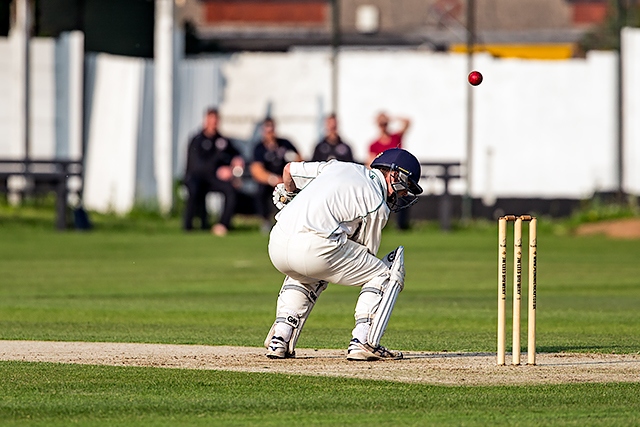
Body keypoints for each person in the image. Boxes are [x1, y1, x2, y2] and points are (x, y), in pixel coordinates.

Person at [263, 148, 423, 361]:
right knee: (383, 273)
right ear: (394, 174)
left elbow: (289, 170)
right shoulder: (377, 203)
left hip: (277, 242)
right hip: (315, 249)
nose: (404, 193)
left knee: (307, 270)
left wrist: (292, 197)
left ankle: (280, 338)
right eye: (407, 185)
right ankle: (362, 340)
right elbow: (365, 254)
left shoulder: (338, 166)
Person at [183, 108, 245, 236]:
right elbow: (196, 165)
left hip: (213, 179)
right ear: (206, 121)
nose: (213, 124)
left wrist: (236, 161)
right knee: (194, 190)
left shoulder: (222, 140)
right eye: (211, 120)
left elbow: (235, 152)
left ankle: (223, 225)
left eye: (216, 121)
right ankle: (188, 226)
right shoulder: (197, 140)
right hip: (197, 178)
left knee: (230, 189)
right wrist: (218, 170)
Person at [250, 117, 303, 233]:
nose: (270, 133)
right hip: (269, 180)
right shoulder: (259, 148)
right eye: (267, 130)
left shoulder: (285, 144)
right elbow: (256, 170)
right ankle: (265, 220)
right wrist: (272, 179)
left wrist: (287, 175)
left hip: (286, 179)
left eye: (272, 130)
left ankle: (292, 221)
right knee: (260, 191)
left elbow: (299, 159)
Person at [368, 112, 413, 230]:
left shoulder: (395, 138)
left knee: (402, 197)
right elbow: (370, 162)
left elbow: (408, 122)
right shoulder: (374, 144)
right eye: (381, 124)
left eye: (385, 123)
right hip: (384, 178)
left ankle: (401, 226)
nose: (384, 126)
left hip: (398, 176)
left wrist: (392, 117)